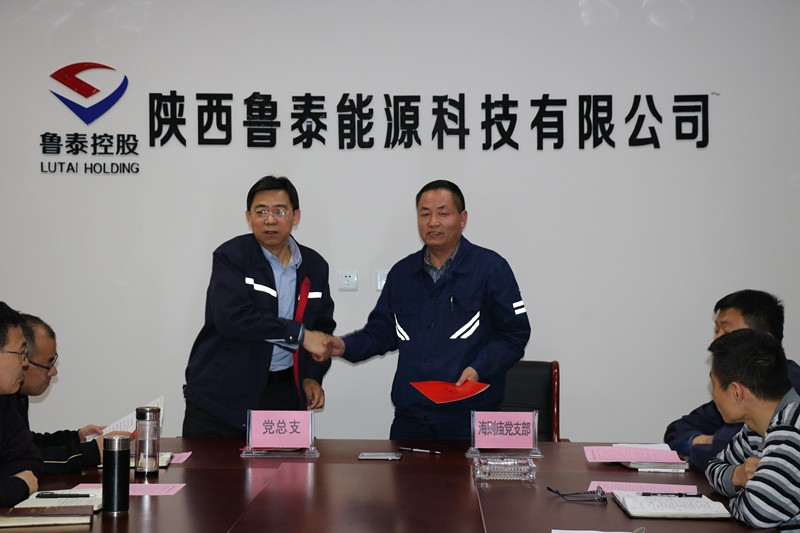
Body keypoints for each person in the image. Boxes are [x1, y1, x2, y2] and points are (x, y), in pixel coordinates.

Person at [320, 180, 531, 441]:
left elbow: (514, 334)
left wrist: (479, 368)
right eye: (425, 214)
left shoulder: (491, 268)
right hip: (411, 422)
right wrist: (344, 345)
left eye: (443, 213)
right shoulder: (402, 273)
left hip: (470, 421)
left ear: (462, 218)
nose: (433, 222)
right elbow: (382, 332)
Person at [183, 175, 336, 438]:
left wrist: (311, 376)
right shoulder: (231, 256)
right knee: (212, 467)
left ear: (296, 216)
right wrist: (299, 334)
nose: (270, 219)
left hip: (283, 394)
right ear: (249, 217)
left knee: (284, 466)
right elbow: (233, 318)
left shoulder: (315, 266)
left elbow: (321, 327)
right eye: (261, 211)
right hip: (221, 398)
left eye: (280, 211)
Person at [664, 290, 800, 472]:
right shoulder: (732, 389)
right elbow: (677, 431)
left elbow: (720, 452)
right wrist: (703, 441)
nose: (717, 340)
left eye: (727, 332)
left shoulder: (787, 386)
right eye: (716, 331)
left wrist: (713, 446)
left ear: (765, 340)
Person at [706, 329, 800, 530]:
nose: (713, 394)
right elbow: (713, 467)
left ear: (736, 392)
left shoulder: (791, 430)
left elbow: (758, 513)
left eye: (713, 384)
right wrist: (737, 475)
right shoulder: (755, 428)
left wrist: (736, 495)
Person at [17, 313, 116, 473]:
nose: (54, 372)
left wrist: (76, 438)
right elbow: (22, 460)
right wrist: (92, 451)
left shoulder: (18, 396)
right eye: (48, 364)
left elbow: (27, 444)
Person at [0, 302, 41, 507]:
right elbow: (23, 480)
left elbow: (30, 461)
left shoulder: (5, 400)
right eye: (21, 352)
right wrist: (16, 486)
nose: (25, 363)